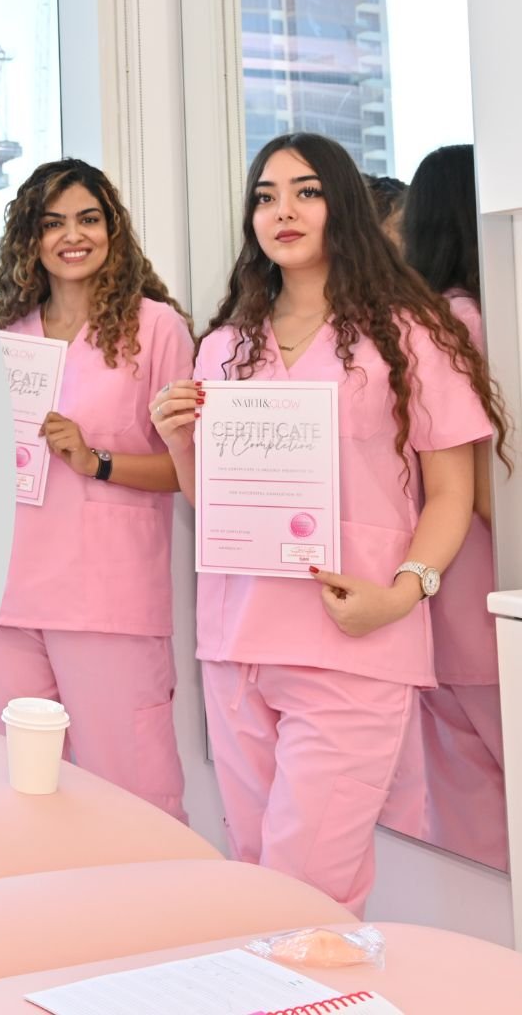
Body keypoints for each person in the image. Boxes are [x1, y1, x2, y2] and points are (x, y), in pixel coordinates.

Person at [150, 133, 508, 914]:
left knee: (305, 885)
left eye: (306, 191)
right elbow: (214, 504)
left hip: (354, 639)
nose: (283, 211)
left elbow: (451, 492)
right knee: (254, 873)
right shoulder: (224, 348)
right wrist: (181, 440)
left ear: (341, 204)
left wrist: (406, 591)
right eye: (266, 196)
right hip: (238, 640)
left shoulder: (409, 335)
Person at [0, 158, 194, 821]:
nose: (73, 235)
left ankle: (154, 923)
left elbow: (189, 474)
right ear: (30, 239)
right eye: (53, 222)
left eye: (89, 219)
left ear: (113, 230)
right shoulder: (3, 338)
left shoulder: (157, 330)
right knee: (11, 791)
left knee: (131, 793)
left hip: (106, 599)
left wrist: (95, 459)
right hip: (4, 598)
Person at [403, 143, 508, 870]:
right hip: (483, 595)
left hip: (431, 606)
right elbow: (482, 476)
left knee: (469, 820)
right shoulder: (468, 323)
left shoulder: (418, 322)